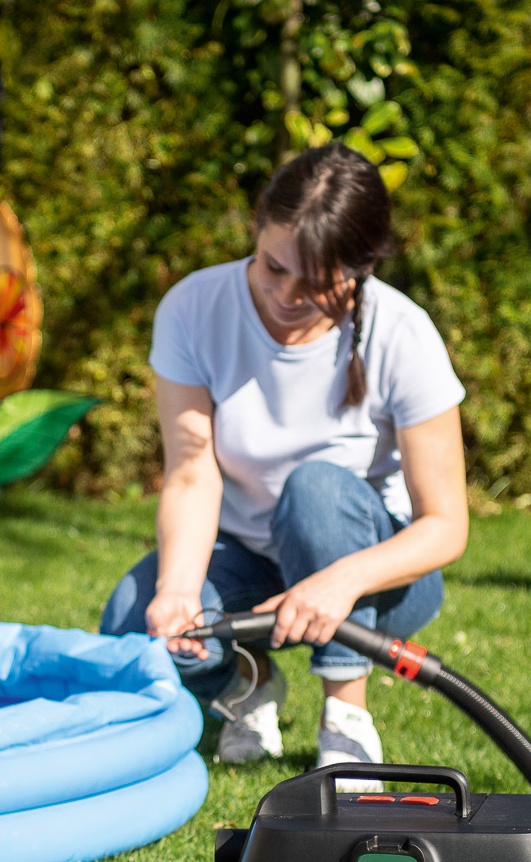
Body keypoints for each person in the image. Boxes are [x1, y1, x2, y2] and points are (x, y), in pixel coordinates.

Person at [99, 143, 468, 774]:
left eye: (318, 283)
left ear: (362, 268)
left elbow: (446, 526)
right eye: (275, 267)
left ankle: (346, 718)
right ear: (257, 227)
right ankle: (250, 682)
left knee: (316, 488)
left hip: (377, 579)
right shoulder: (194, 308)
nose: (288, 296)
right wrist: (179, 589)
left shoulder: (404, 334)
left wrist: (340, 581)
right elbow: (191, 471)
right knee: (132, 624)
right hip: (248, 561)